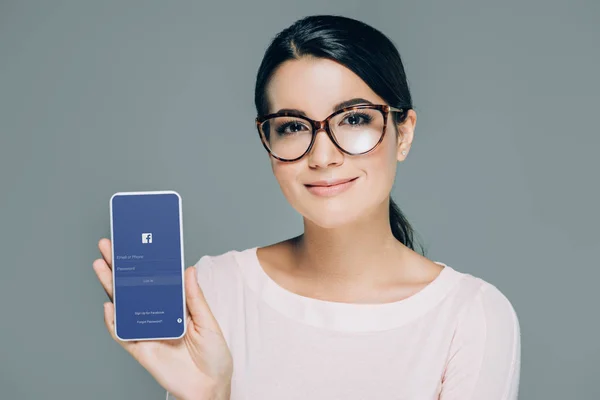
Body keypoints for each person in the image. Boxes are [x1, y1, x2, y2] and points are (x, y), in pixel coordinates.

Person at [93, 14, 521, 400]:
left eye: (353, 119)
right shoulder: (211, 293)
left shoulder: (472, 316)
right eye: (294, 127)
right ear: (268, 142)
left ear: (402, 132)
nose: (322, 156)